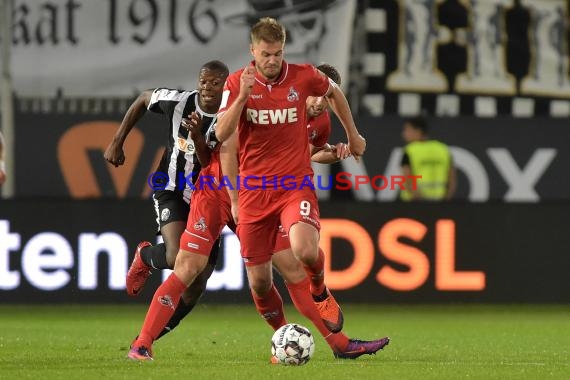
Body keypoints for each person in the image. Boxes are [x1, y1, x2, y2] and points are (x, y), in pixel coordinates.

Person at [104, 60, 229, 338]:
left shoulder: (230, 116)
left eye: (214, 82)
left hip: (209, 198)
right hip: (171, 187)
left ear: (225, 85)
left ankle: (147, 338)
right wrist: (117, 140)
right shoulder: (179, 102)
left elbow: (210, 160)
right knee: (176, 257)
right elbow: (143, 98)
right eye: (203, 81)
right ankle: (146, 256)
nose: (207, 87)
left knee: (198, 283)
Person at [400, 115, 456, 201]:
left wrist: (421, 202)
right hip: (440, 204)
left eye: (407, 130)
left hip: (414, 205)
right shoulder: (443, 149)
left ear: (418, 131)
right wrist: (446, 201)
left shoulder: (410, 151)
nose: (404, 133)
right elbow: (452, 180)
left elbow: (408, 180)